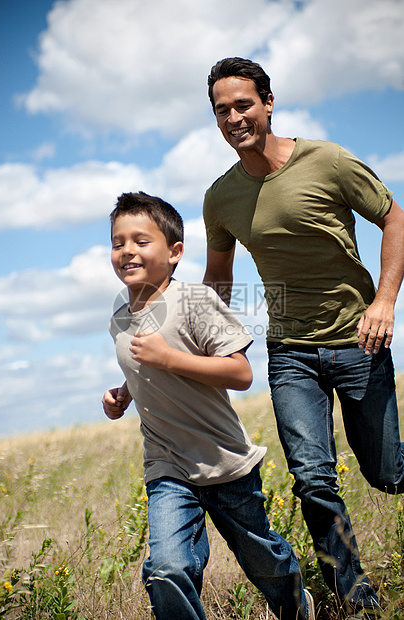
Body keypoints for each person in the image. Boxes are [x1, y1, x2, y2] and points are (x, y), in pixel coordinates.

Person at [202, 56, 404, 619]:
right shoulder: (220, 198)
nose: (234, 117)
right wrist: (192, 343)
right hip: (290, 352)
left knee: (388, 474)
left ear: (268, 103)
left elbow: (395, 219)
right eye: (222, 110)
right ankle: (353, 592)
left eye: (243, 104)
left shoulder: (329, 160)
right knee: (313, 477)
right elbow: (219, 282)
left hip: (358, 342)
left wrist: (384, 301)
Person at [102, 191, 314, 620]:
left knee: (262, 560)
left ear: (175, 251)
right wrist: (123, 392)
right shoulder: (120, 312)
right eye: (117, 241)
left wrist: (169, 359)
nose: (127, 250)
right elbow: (144, 362)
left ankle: (296, 604)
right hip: (167, 466)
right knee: (166, 569)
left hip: (225, 462)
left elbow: (240, 373)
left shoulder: (194, 300)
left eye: (141, 241)